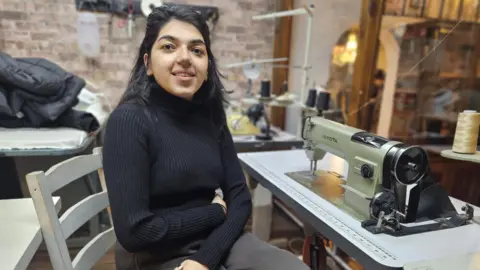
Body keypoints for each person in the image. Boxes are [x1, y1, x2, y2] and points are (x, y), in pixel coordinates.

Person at [102, 5, 310, 270]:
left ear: (207, 65)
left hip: (217, 239)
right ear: (148, 64)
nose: (185, 58)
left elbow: (240, 197)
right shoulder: (128, 121)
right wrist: (214, 213)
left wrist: (206, 259)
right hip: (155, 253)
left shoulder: (211, 115)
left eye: (197, 50)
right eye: (168, 47)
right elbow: (135, 232)